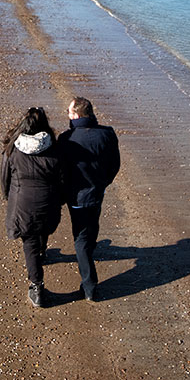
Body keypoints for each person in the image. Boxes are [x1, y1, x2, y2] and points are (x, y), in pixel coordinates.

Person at [1, 106, 65, 308]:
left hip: (22, 205)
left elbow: (5, 180)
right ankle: (43, 251)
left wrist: (10, 199)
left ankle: (37, 287)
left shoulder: (12, 150)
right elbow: (62, 180)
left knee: (29, 244)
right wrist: (59, 200)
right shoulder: (55, 149)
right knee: (42, 231)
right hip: (48, 203)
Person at [58, 96, 120, 302]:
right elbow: (114, 165)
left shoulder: (66, 139)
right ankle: (89, 278)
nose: (67, 114)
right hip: (97, 192)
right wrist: (103, 183)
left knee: (81, 240)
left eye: (68, 111)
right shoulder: (107, 134)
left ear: (76, 114)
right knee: (91, 230)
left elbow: (62, 171)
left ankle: (90, 286)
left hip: (77, 197)